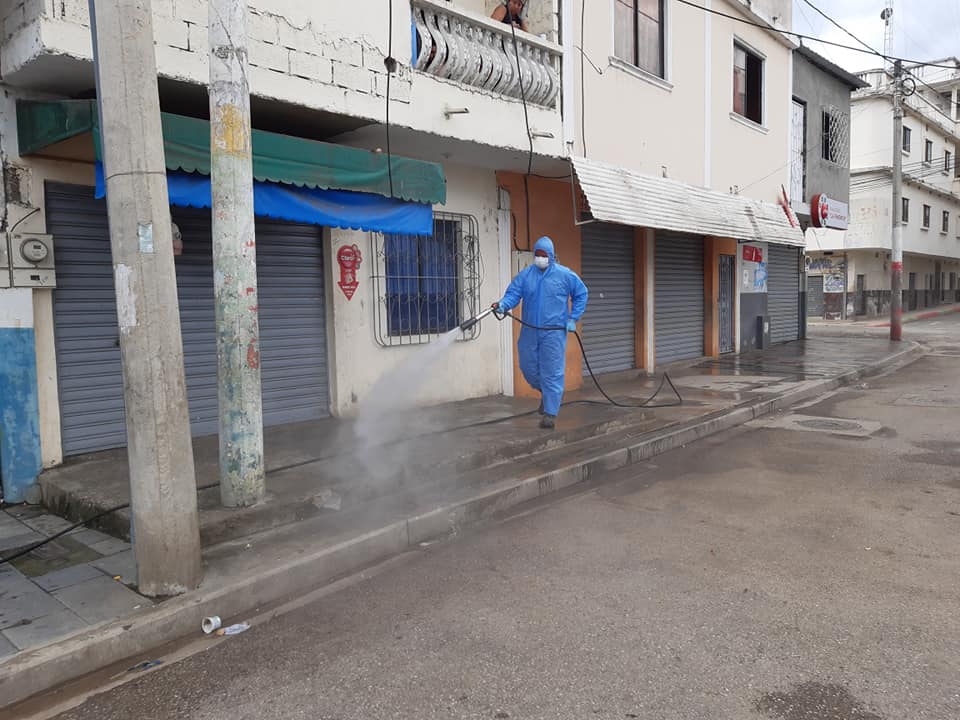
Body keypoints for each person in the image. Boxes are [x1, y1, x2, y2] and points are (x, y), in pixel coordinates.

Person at [494, 236, 588, 429]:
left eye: (543, 255)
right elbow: (513, 294)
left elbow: (581, 293)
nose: (540, 257)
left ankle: (550, 414)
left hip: (553, 333)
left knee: (552, 371)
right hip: (529, 331)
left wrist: (573, 318)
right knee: (527, 367)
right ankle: (547, 394)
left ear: (551, 256)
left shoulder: (564, 275)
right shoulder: (526, 275)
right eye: (537, 254)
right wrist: (503, 304)